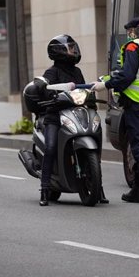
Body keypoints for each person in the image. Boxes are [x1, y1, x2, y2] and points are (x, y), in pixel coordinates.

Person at [91, 17, 139, 205]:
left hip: (134, 103)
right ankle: (136, 190)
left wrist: (106, 85)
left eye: (129, 32)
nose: (128, 35)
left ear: (134, 32)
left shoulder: (134, 47)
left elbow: (127, 75)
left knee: (138, 145)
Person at [37, 34, 108, 206]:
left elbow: (83, 91)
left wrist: (91, 91)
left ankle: (99, 187)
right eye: (70, 48)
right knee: (51, 147)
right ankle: (45, 189)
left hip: (76, 113)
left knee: (95, 141)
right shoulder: (52, 72)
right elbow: (46, 89)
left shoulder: (77, 72)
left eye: (74, 47)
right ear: (59, 51)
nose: (74, 51)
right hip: (55, 116)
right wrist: (49, 90)